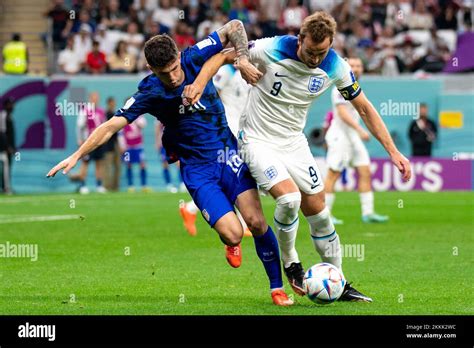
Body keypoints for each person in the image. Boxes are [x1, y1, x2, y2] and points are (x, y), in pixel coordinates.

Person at [47, 20, 293, 306]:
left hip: (229, 155)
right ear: (152, 70)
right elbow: (111, 125)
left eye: (176, 68)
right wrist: (77, 154)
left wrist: (240, 60)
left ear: (179, 56)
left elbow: (235, 27)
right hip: (197, 169)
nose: (174, 77)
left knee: (256, 221)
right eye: (165, 73)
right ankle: (231, 243)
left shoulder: (193, 57)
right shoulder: (150, 92)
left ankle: (277, 288)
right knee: (234, 232)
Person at [184, 12, 412, 302]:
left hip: (294, 142)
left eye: (322, 52)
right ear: (299, 39)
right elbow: (222, 53)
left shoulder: (335, 66)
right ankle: (292, 263)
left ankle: (338, 282)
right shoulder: (272, 48)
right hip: (256, 139)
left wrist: (393, 151)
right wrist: (229, 67)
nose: (316, 58)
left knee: (320, 214)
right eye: (310, 51)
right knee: (289, 199)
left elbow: (364, 108)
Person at [179, 64, 252, 237]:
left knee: (238, 174)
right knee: (236, 173)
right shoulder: (226, 70)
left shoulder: (250, 69)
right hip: (229, 128)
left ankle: (191, 208)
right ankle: (241, 222)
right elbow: (211, 94)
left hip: (243, 127)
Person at [324, 57, 389, 224]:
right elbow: (343, 113)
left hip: (352, 136)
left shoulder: (356, 87)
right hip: (340, 136)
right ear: (346, 67)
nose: (356, 68)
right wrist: (360, 129)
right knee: (333, 174)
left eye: (359, 65)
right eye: (352, 65)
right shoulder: (340, 86)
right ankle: (325, 215)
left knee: (365, 170)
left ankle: (368, 213)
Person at [68, 92, 107, 194]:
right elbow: (79, 126)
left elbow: (105, 126)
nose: (95, 100)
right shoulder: (85, 111)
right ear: (90, 99)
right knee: (85, 163)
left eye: (97, 98)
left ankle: (99, 185)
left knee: (99, 163)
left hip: (99, 141)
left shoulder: (101, 111)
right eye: (93, 98)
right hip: (88, 141)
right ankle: (82, 185)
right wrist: (80, 139)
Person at [119, 115, 150, 192]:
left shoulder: (139, 116)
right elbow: (120, 133)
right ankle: (130, 186)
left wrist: (136, 119)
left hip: (138, 146)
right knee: (128, 164)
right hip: (127, 147)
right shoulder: (122, 118)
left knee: (143, 164)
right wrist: (122, 145)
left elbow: (143, 124)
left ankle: (144, 186)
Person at [103, 97, 121, 191]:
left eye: (114, 102)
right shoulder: (106, 114)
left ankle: (115, 186)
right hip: (108, 144)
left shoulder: (116, 114)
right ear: (108, 103)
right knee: (108, 166)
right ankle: (107, 186)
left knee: (117, 165)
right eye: (112, 102)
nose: (113, 104)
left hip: (116, 143)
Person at [0, 98, 16, 194]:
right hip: (3, 148)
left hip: (8, 148)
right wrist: (7, 146)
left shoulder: (10, 116)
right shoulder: (3, 115)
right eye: (10, 104)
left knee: (7, 168)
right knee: (4, 168)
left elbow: (10, 134)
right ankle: (6, 188)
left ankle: (6, 187)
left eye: (13, 104)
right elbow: (2, 132)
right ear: (5, 105)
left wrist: (12, 147)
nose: (12, 106)